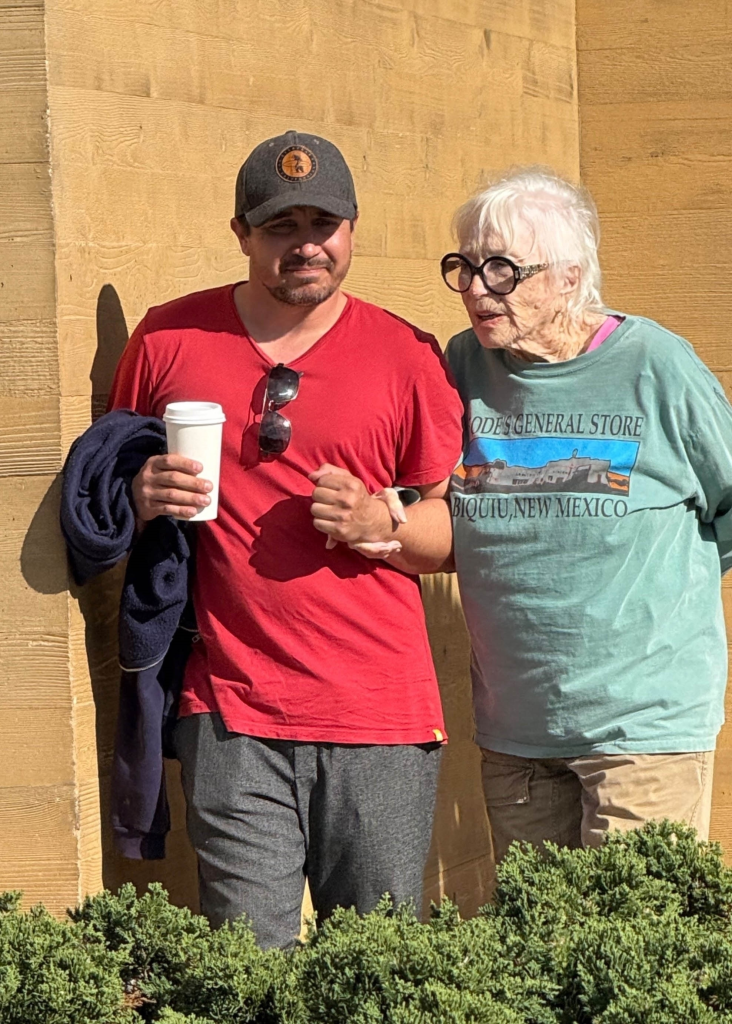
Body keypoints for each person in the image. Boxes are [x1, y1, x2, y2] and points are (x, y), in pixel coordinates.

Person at [313, 167, 732, 862]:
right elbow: (446, 513)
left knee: (627, 939)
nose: (477, 290)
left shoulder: (655, 364)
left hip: (644, 725)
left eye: (502, 270)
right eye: (466, 268)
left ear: (569, 276)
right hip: (517, 729)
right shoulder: (464, 366)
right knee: (537, 943)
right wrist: (380, 520)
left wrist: (663, 604)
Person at [108, 130, 463, 946]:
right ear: (241, 233)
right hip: (231, 713)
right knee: (249, 967)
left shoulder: (406, 354)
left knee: (374, 969)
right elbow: (106, 478)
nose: (306, 245)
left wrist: (385, 523)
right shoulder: (168, 341)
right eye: (280, 227)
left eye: (323, 224)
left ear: (352, 228)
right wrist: (138, 491)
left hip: (381, 718)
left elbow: (453, 534)